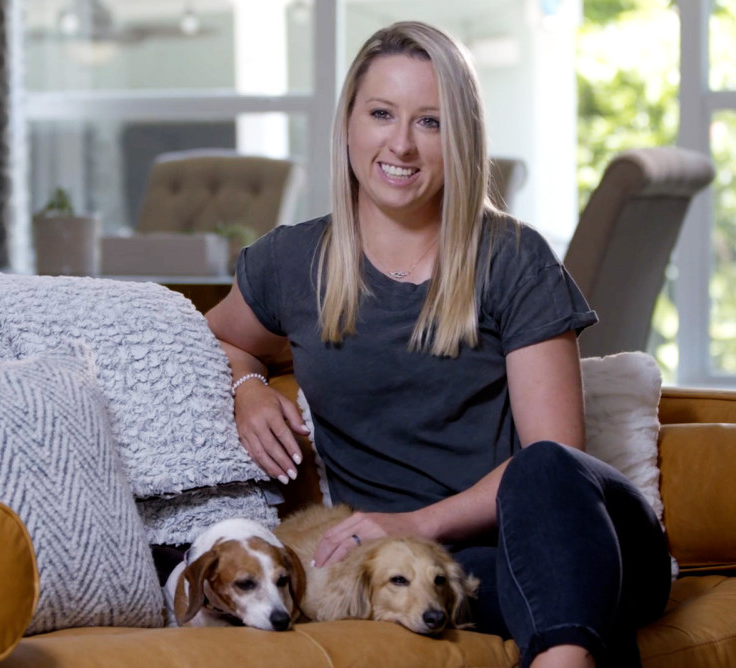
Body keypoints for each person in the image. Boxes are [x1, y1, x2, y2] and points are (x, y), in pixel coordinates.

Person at [204, 20, 672, 668]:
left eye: (431, 122)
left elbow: (554, 456)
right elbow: (218, 339)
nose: (401, 143)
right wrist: (246, 386)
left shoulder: (511, 259)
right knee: (482, 587)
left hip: (583, 536)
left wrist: (412, 524)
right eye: (381, 114)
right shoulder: (293, 263)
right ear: (348, 126)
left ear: (464, 140)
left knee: (545, 475)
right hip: (444, 568)